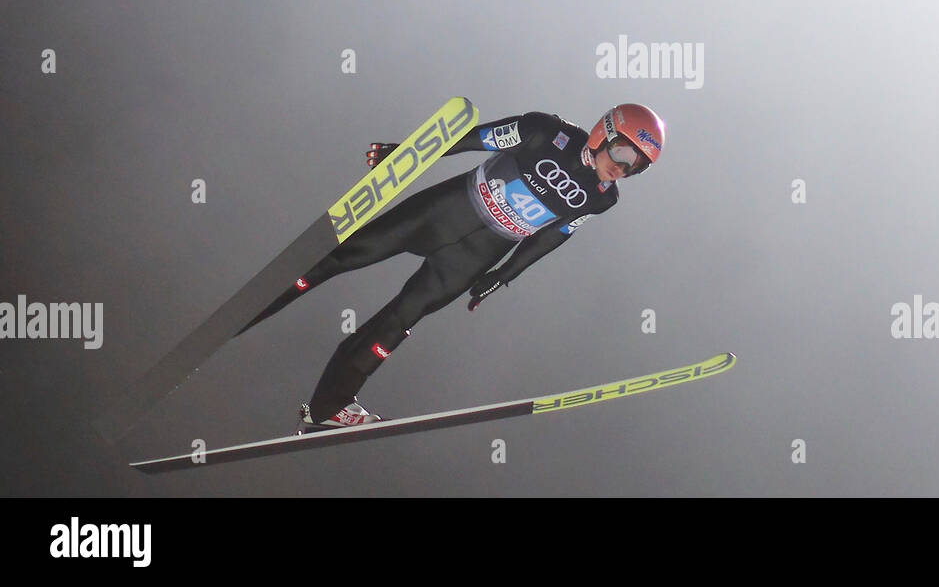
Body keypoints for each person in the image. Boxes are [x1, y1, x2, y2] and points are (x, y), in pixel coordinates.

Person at [237, 103, 666, 432]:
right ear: (604, 131)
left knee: (399, 322)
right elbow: (472, 138)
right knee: (343, 256)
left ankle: (329, 408)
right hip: (446, 210)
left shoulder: (603, 198)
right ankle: (246, 311)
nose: (623, 167)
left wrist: (503, 276)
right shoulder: (545, 130)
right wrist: (405, 155)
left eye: (637, 166)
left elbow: (554, 235)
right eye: (624, 151)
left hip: (476, 255)